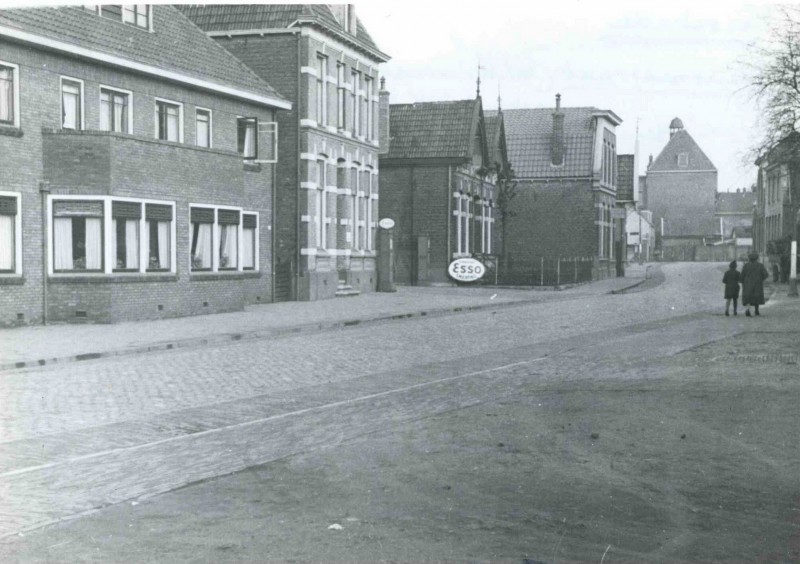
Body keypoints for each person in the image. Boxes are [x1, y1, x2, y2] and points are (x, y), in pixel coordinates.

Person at [740, 251, 769, 317]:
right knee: (757, 297)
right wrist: (761, 279)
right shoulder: (760, 265)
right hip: (757, 284)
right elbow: (766, 274)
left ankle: (747, 310)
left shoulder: (746, 265)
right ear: (757, 258)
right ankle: (756, 311)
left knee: (748, 297)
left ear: (749, 258)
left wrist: (742, 281)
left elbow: (742, 275)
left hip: (747, 284)